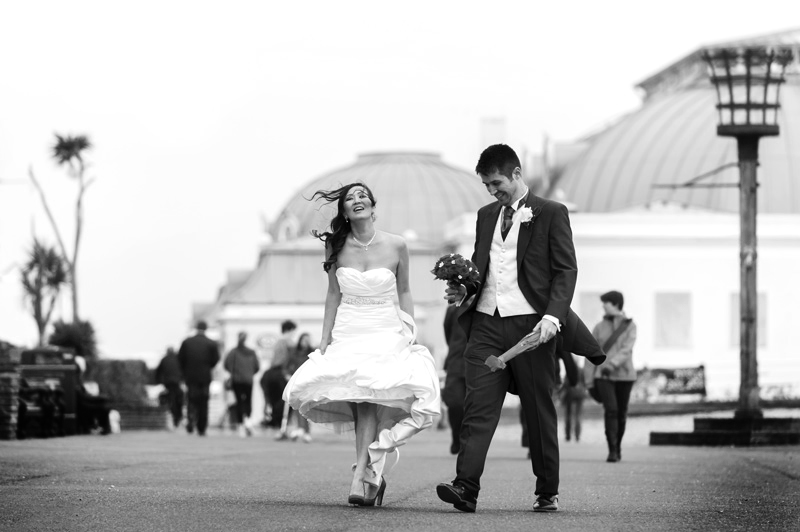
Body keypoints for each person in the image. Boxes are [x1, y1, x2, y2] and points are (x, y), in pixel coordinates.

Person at [437, 144, 604, 514]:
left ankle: (547, 490)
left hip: (532, 325)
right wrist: (464, 289)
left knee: (537, 408)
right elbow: (486, 270)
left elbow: (565, 270)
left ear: (516, 173)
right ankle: (466, 487)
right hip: (485, 324)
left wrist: (553, 317)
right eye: (486, 185)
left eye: (496, 182)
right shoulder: (484, 216)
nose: (492, 191)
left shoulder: (551, 213)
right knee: (477, 407)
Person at [284, 182, 440, 507]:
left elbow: (406, 291)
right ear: (344, 211)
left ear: (372, 204)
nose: (357, 200)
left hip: (385, 327)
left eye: (361, 195)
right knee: (358, 398)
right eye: (350, 198)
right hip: (349, 327)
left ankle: (361, 474)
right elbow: (332, 294)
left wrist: (409, 329)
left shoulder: (397, 245)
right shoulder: (335, 245)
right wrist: (325, 336)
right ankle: (368, 473)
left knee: (370, 397)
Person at [584, 290, 637, 462]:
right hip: (603, 377)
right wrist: (589, 382)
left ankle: (618, 446)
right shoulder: (599, 327)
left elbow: (626, 349)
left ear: (615, 304)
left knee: (621, 413)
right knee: (611, 411)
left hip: (625, 376)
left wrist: (612, 364)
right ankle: (612, 449)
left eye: (605, 303)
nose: (603, 307)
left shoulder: (630, 326)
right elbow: (590, 354)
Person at [178, 320, 220, 436]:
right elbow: (215, 359)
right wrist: (207, 367)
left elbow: (180, 359)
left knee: (191, 399)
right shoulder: (211, 343)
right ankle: (202, 427)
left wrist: (186, 370)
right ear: (206, 329)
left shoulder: (187, 342)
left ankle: (191, 419)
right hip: (205, 376)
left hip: (190, 376)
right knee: (204, 401)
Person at [441, 297, 471, 455]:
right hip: (456, 362)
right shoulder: (453, 309)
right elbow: (447, 333)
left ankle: (469, 441)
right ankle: (456, 437)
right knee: (454, 403)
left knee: (473, 406)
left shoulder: (485, 307)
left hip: (477, 364)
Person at [261, 320, 296, 431]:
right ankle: (280, 424)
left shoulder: (277, 343)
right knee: (285, 400)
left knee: (273, 400)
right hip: (281, 374)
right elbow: (290, 361)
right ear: (291, 330)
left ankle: (274, 422)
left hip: (270, 373)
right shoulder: (289, 343)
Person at [224, 331, 260, 437]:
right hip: (248, 380)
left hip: (237, 380)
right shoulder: (251, 352)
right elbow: (257, 367)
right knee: (248, 401)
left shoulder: (234, 352)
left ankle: (241, 424)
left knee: (239, 402)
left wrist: (234, 372)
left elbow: (226, 364)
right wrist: (249, 373)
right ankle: (247, 421)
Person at [281, 332, 314, 442]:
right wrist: (287, 374)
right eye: (304, 340)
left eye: (307, 340)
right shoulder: (294, 353)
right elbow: (286, 365)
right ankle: (299, 428)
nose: (306, 343)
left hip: (307, 383)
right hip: (296, 382)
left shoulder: (312, 353)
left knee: (306, 406)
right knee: (297, 406)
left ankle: (305, 430)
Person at [155, 346, 184, 430]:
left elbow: (158, 372)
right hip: (177, 382)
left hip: (168, 383)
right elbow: (183, 369)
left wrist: (159, 381)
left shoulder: (164, 359)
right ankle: (178, 415)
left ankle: (174, 415)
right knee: (179, 398)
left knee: (171, 398)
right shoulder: (178, 359)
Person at [560, 353, 587, 442]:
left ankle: (568, 436)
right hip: (580, 394)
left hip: (570, 393)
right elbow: (585, 383)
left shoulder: (569, 369)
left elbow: (565, 383)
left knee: (568, 415)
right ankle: (577, 436)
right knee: (578, 415)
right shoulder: (581, 370)